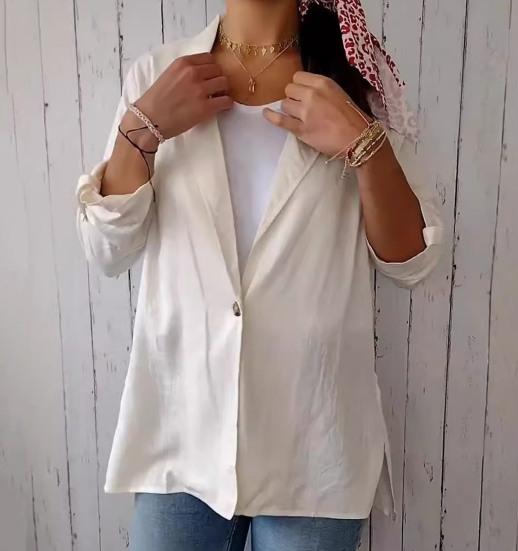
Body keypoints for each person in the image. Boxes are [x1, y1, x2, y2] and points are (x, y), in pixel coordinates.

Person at [75, 0, 445, 549]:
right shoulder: (157, 75)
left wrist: (365, 145)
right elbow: (107, 250)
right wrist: (141, 131)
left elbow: (411, 263)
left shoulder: (352, 82)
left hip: (315, 445)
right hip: (183, 433)